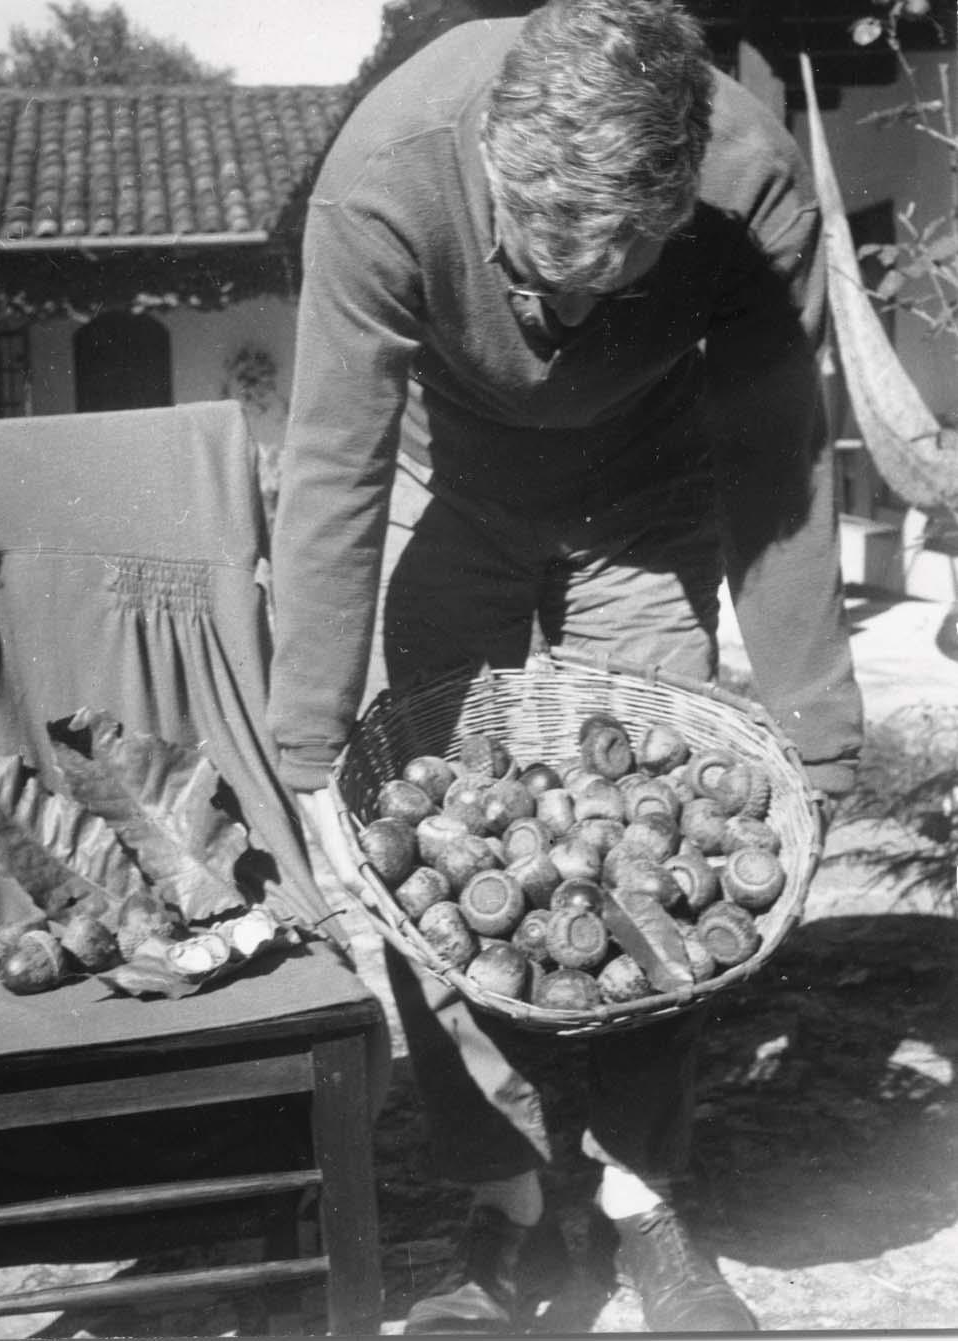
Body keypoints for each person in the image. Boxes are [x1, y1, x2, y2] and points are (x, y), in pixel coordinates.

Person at [266, 0, 864, 1333]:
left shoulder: (751, 182)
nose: (569, 311)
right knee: (417, 840)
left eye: (619, 278)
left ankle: (646, 1202)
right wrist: (307, 754)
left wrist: (817, 739)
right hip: (449, 480)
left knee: (660, 840)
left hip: (647, 496)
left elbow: (780, 456)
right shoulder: (383, 180)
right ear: (491, 164)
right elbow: (332, 467)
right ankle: (515, 1207)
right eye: (547, 272)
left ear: (678, 199)